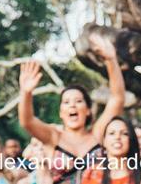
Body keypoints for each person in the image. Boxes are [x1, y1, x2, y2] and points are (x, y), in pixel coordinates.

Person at [18, 34, 126, 183]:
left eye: (78, 101)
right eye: (67, 102)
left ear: (88, 110)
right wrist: (26, 92)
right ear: (61, 112)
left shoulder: (98, 134)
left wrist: (111, 60)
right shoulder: (53, 136)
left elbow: (117, 99)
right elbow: (27, 121)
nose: (72, 105)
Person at [82, 116, 141, 184]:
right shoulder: (91, 174)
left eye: (124, 134)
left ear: (131, 140)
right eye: (112, 133)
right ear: (104, 141)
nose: (117, 137)